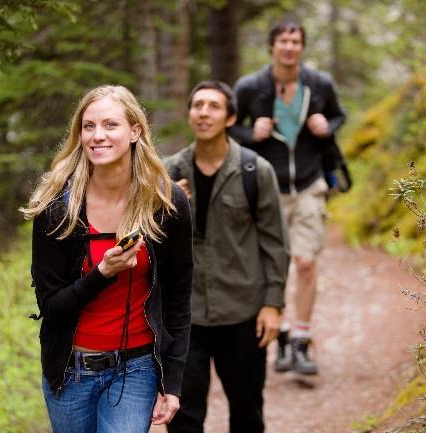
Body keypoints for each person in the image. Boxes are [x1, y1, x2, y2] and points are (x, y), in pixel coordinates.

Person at [21, 85, 193, 433]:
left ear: (135, 131)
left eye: (110, 125)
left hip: (137, 367)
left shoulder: (166, 203)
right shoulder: (57, 209)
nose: (98, 136)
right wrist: (102, 273)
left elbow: (178, 297)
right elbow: (52, 307)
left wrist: (172, 383)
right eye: (89, 126)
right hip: (70, 371)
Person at [166, 80, 290, 433]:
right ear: (189, 114)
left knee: (247, 410)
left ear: (231, 117)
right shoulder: (167, 173)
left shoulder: (256, 171)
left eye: (214, 106)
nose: (204, 112)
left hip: (242, 310)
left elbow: (276, 244)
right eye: (197, 105)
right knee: (182, 416)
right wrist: (170, 207)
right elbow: (148, 243)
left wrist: (273, 304)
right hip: (185, 316)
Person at [230, 17, 346, 375]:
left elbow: (339, 116)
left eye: (296, 41)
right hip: (266, 189)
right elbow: (229, 126)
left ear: (302, 46)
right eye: (283, 40)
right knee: (269, 265)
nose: (290, 47)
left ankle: (300, 340)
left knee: (306, 262)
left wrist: (327, 127)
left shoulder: (319, 83)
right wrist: (251, 134)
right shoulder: (251, 87)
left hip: (310, 185)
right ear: (272, 46)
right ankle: (278, 335)